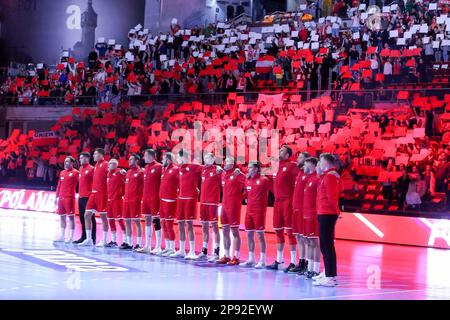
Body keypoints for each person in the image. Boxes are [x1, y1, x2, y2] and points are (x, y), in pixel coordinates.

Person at [267, 145, 299, 272]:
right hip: (277, 202)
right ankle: (279, 260)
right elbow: (270, 182)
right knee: (278, 231)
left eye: (282, 151)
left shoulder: (292, 166)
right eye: (279, 150)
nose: (279, 152)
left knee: (290, 232)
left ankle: (293, 261)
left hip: (288, 202)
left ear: (287, 155)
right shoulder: (275, 167)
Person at [313, 153, 340, 287]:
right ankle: (329, 273)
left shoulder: (330, 176)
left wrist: (336, 212)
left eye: (321, 161)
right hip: (324, 213)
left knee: (327, 245)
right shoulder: (328, 176)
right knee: (325, 245)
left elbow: (331, 197)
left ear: (327, 162)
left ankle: (331, 277)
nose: (319, 163)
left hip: (327, 214)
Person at [240, 161, 272, 269]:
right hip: (249, 211)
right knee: (249, 235)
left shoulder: (264, 180)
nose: (248, 169)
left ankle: (262, 260)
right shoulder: (247, 180)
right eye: (248, 167)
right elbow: (244, 195)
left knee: (260, 235)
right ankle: (251, 259)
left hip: (259, 212)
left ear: (257, 169)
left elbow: (274, 190)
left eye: (250, 167)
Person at [172, 149, 202, 259]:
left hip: (190, 199)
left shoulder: (195, 167)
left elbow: (207, 170)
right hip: (180, 199)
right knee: (180, 224)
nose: (177, 159)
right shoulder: (179, 168)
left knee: (189, 225)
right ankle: (181, 250)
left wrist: (217, 168)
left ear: (183, 157)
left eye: (178, 157)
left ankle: (192, 251)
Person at [217, 156, 245, 265]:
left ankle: (236, 257)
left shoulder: (237, 175)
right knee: (225, 231)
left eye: (229, 162)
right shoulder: (223, 175)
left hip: (234, 207)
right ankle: (227, 255)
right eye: (225, 161)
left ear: (233, 164)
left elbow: (248, 182)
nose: (226, 163)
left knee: (234, 232)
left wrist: (240, 198)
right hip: (224, 206)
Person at [196, 153, 223, 262]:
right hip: (203, 202)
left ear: (214, 159)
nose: (207, 159)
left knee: (215, 227)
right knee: (204, 227)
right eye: (205, 158)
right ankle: (204, 250)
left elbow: (226, 177)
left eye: (209, 158)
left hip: (212, 202)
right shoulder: (202, 169)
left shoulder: (217, 170)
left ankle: (216, 251)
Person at [79, 148, 108, 247]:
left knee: (104, 218)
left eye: (95, 154)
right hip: (93, 193)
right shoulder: (96, 165)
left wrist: (120, 171)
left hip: (102, 194)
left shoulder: (105, 164)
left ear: (101, 155)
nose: (94, 156)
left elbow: (113, 171)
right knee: (87, 215)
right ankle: (89, 239)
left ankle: (104, 240)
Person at [136, 149, 163, 254]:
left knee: (156, 220)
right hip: (146, 197)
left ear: (152, 156)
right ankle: (147, 246)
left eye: (146, 156)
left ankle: (158, 246)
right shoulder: (146, 168)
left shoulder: (159, 167)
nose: (144, 158)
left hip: (155, 198)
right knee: (147, 220)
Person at [289, 151, 310, 274]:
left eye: (301, 157)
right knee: (298, 237)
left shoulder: (308, 175)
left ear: (307, 160)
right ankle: (301, 261)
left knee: (305, 238)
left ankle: (307, 262)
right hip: (295, 209)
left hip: (303, 210)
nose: (298, 158)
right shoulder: (299, 173)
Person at [301, 157, 321, 279]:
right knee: (308, 241)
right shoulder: (308, 178)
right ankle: (309, 268)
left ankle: (315, 269)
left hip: (313, 215)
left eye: (306, 165)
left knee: (314, 242)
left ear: (313, 166)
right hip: (305, 214)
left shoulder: (317, 179)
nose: (304, 167)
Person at [120, 153, 144, 250]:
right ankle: (128, 242)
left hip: (135, 201)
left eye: (131, 160)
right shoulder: (128, 172)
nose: (129, 161)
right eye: (129, 159)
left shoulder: (141, 172)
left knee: (137, 222)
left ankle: (139, 243)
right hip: (126, 200)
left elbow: (143, 187)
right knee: (127, 221)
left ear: (136, 161)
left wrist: (140, 199)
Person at [158, 152, 179, 256]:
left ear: (169, 160)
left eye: (164, 159)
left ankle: (172, 248)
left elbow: (181, 181)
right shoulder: (164, 169)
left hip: (170, 200)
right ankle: (167, 247)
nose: (162, 160)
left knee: (169, 225)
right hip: (162, 199)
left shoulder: (175, 169)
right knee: (164, 224)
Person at [54, 156, 79, 243]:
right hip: (61, 198)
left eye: (67, 162)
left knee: (71, 218)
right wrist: (56, 197)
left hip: (69, 198)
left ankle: (71, 237)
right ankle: (62, 236)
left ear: (72, 163)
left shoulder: (76, 173)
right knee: (62, 217)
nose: (65, 163)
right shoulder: (62, 172)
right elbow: (59, 185)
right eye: (65, 161)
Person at [73, 152, 96, 244]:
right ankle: (84, 236)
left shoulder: (92, 169)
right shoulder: (81, 168)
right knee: (82, 218)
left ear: (87, 158)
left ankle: (92, 238)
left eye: (82, 158)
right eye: (80, 158)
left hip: (88, 196)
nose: (80, 159)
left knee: (90, 217)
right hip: (81, 196)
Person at [105, 158, 126, 248]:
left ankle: (125, 240)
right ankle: (113, 240)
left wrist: (122, 194)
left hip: (117, 200)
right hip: (109, 201)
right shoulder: (108, 174)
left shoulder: (119, 172)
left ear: (116, 165)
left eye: (113, 163)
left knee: (119, 220)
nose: (110, 165)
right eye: (109, 163)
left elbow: (125, 176)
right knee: (110, 220)